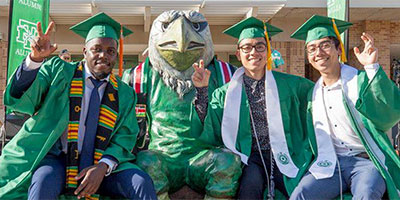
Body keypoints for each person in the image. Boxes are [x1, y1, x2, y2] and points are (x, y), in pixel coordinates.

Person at [0, 12, 157, 200]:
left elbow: (125, 136)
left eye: (110, 51)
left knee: (141, 182)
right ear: (84, 52)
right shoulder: (59, 72)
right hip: (58, 159)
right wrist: (35, 60)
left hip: (102, 163)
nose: (103, 55)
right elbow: (23, 101)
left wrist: (103, 166)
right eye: (96, 49)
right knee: (42, 182)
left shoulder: (124, 93)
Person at [122, 10, 241, 199]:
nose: (182, 37)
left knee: (227, 162)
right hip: (162, 158)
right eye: (166, 26)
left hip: (204, 159)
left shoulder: (227, 75)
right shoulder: (136, 78)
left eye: (195, 26)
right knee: (146, 162)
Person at [192, 17, 314, 199]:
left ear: (268, 51)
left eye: (259, 46)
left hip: (288, 153)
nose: (253, 52)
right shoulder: (225, 94)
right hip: (249, 157)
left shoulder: (293, 85)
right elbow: (209, 126)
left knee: (300, 191)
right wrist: (202, 91)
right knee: (250, 188)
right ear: (238, 54)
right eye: (247, 47)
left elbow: (319, 102)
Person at [290, 15, 400, 199]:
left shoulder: (361, 82)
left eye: (325, 45)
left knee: (366, 194)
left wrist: (372, 67)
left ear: (339, 49)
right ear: (308, 57)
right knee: (300, 194)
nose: (318, 53)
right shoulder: (313, 94)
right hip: (330, 164)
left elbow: (388, 113)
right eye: (312, 49)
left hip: (367, 161)